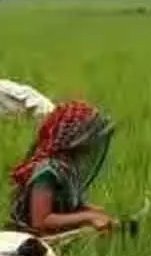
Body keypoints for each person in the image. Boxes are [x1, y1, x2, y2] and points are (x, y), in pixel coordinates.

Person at [7, 101, 117, 237]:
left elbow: (67, 205)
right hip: (31, 239)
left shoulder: (68, 168)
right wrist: (88, 217)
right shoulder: (46, 172)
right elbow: (41, 221)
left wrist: (93, 212)